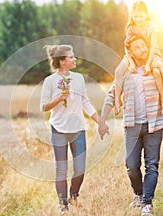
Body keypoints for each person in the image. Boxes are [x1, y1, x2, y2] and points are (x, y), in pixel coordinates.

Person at [98, 32, 163, 216]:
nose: (142, 49)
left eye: (144, 46)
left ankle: (147, 204)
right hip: (132, 126)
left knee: (152, 165)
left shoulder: (154, 68)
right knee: (132, 165)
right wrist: (102, 120)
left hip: (154, 125)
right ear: (131, 52)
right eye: (138, 47)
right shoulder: (126, 71)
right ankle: (139, 194)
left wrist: (162, 66)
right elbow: (111, 95)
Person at [40, 44, 98, 215]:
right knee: (61, 169)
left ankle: (73, 195)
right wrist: (59, 98)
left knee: (80, 168)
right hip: (58, 129)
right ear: (62, 61)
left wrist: (99, 121)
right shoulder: (49, 81)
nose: (75, 59)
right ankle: (63, 205)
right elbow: (43, 107)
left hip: (78, 128)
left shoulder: (79, 78)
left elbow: (85, 102)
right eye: (71, 57)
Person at [114, 1, 163, 116]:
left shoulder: (151, 26)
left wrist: (148, 63)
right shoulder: (131, 27)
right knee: (118, 71)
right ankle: (118, 99)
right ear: (132, 15)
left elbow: (153, 46)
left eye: (140, 16)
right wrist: (131, 63)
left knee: (156, 71)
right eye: (135, 16)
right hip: (133, 54)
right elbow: (126, 47)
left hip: (150, 53)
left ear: (146, 15)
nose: (138, 19)